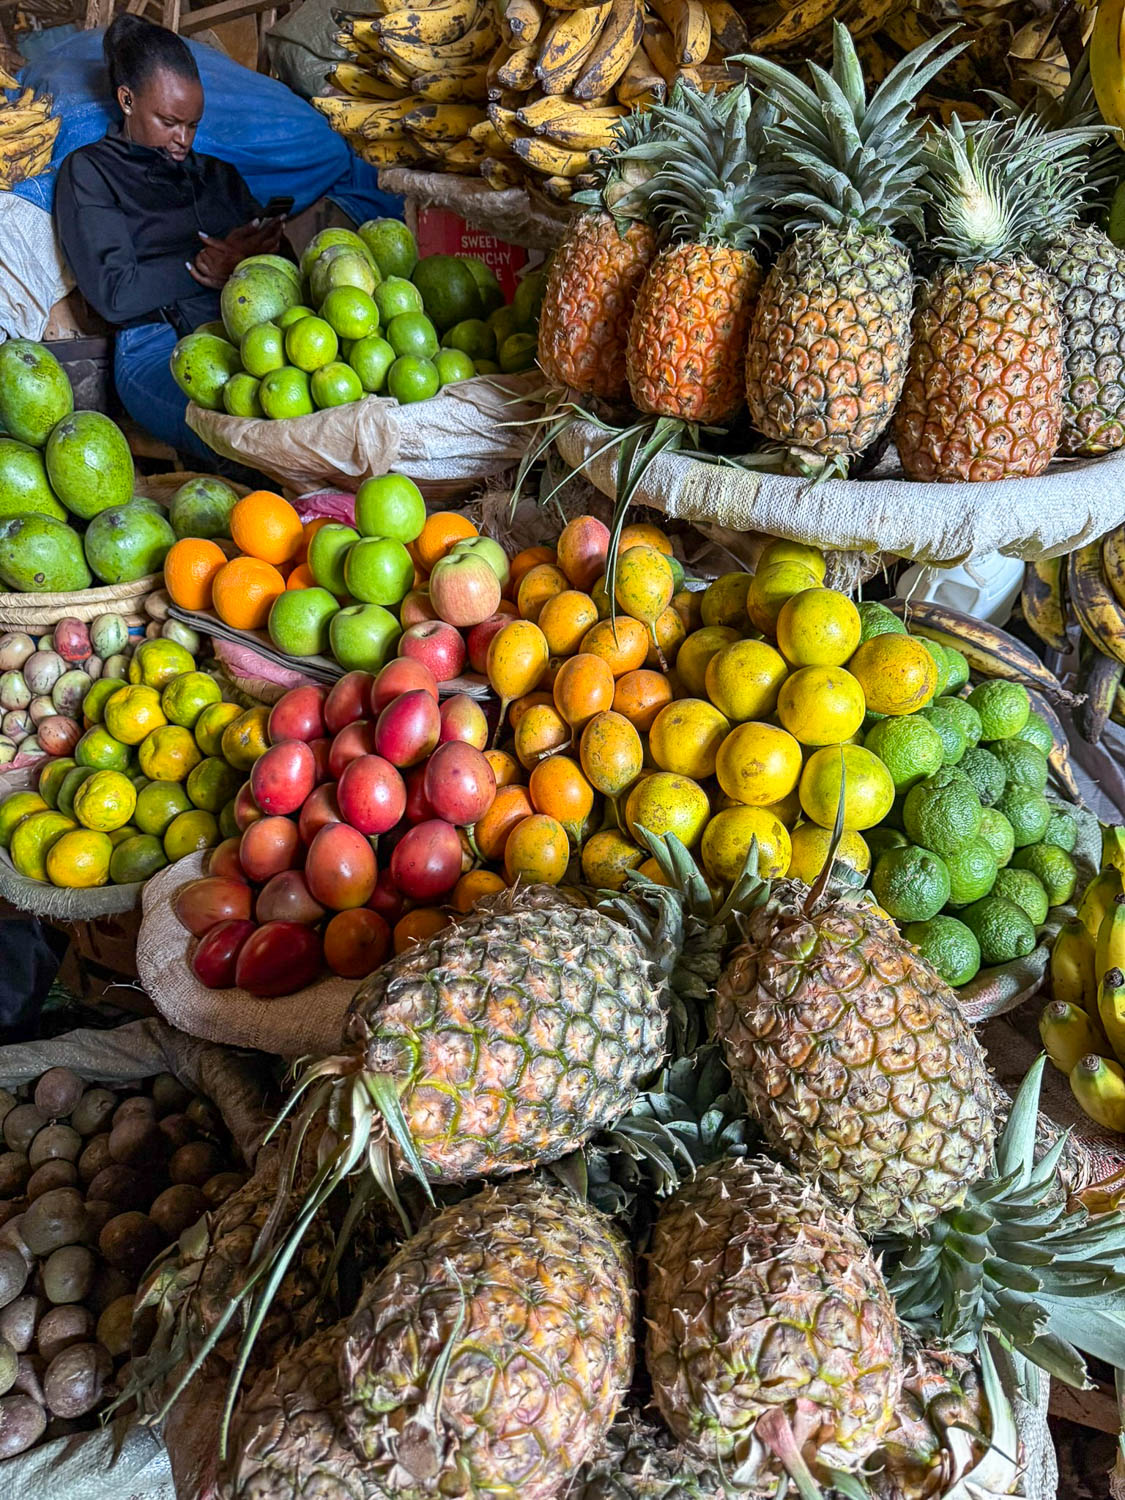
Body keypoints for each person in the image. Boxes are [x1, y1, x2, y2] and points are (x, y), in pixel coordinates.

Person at [53, 15, 287, 469]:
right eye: (168, 121)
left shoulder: (220, 176)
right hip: (155, 347)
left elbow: (274, 270)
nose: (183, 139)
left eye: (193, 125)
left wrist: (265, 249)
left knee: (314, 418)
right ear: (126, 100)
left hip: (249, 332)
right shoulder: (91, 174)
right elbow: (116, 295)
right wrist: (208, 267)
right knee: (252, 440)